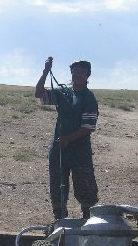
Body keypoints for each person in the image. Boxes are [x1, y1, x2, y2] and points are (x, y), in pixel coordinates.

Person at [35, 56, 99, 220]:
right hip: (59, 151)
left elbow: (88, 127)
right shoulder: (63, 93)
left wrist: (68, 139)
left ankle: (87, 222)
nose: (77, 74)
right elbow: (39, 94)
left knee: (85, 188)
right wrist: (45, 72)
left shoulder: (89, 97)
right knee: (57, 187)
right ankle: (60, 221)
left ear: (87, 76)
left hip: (80, 152)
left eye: (81, 72)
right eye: (74, 71)